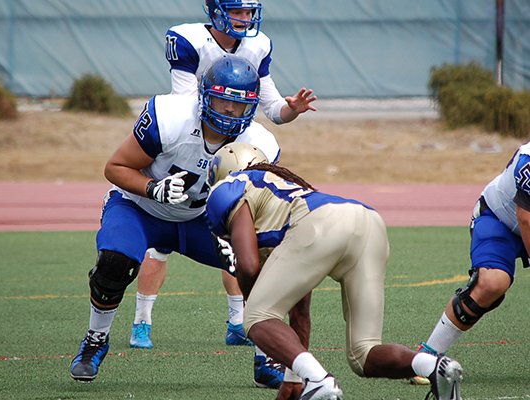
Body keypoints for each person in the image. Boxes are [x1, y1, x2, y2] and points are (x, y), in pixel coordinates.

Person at [130, 0, 315, 389]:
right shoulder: (189, 40)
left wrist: (292, 109)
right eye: (238, 11)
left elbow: (273, 108)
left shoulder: (259, 45)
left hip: (233, 143)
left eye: (250, 13)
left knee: (240, 241)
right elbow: (187, 103)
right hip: (190, 140)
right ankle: (141, 322)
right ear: (215, 10)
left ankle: (239, 322)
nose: (245, 20)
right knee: (160, 240)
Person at [69, 54, 280, 382]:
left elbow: (256, 205)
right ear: (205, 95)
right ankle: (95, 340)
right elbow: (114, 168)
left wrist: (242, 240)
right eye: (223, 101)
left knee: (262, 265)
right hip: (139, 208)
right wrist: (153, 188)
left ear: (251, 107)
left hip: (200, 219)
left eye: (238, 105)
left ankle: (266, 359)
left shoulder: (260, 143)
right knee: (114, 262)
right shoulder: (170, 117)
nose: (228, 111)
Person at [204, 142, 464, 400]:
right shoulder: (280, 197)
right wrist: (293, 377)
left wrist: (254, 302)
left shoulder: (227, 188)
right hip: (367, 222)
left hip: (321, 224)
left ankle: (318, 381)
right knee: (364, 353)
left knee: (256, 316)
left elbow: (248, 267)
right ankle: (433, 367)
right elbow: (300, 311)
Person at [411, 141, 530, 386]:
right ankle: (429, 355)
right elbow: (526, 218)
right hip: (499, 220)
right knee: (491, 284)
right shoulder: (528, 160)